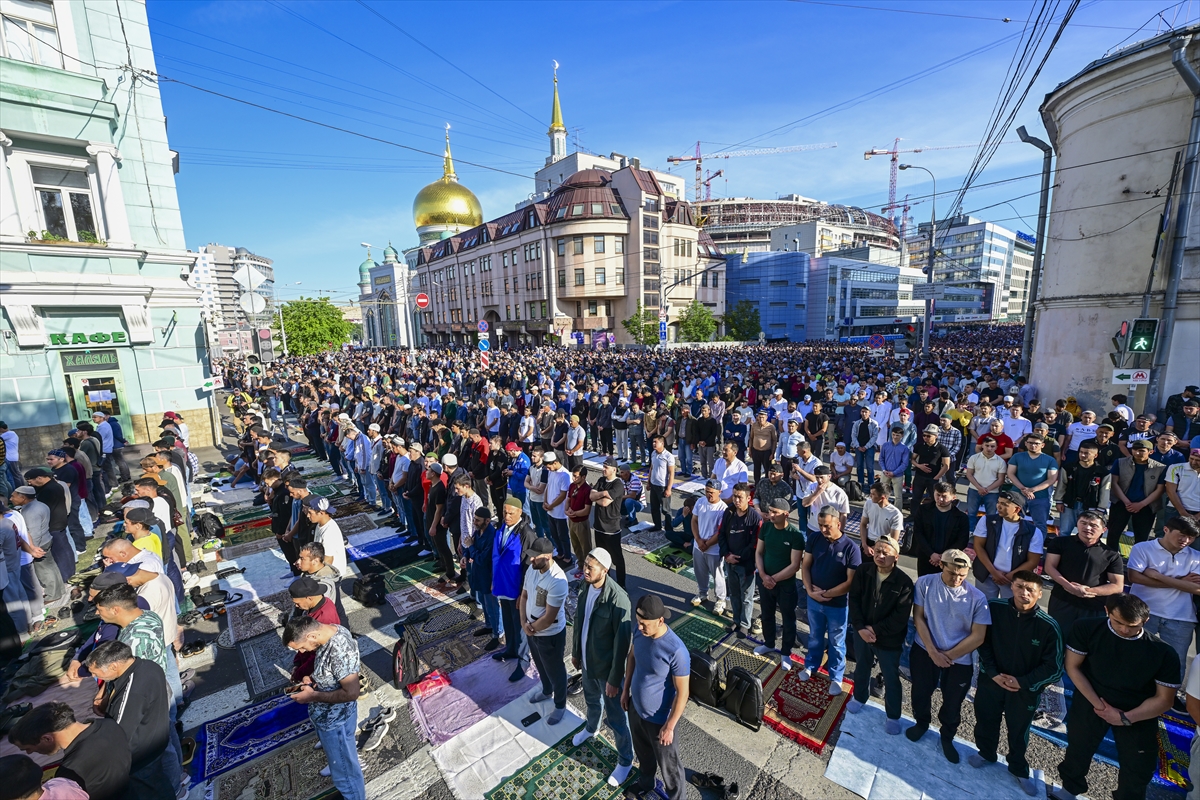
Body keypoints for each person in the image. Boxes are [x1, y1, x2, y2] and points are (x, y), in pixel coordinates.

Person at [1053, 594, 1180, 800]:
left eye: (1132, 626)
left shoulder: (1164, 652)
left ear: (1145, 621)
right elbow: (1073, 667)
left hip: (1137, 710)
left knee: (1138, 765)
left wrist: (1125, 717)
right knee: (1079, 746)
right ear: (1107, 612)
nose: (1124, 629)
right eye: (1118, 622)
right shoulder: (1086, 628)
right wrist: (1101, 708)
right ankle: (1068, 790)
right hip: (1092, 698)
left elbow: (1164, 700)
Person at [970, 571, 1063, 796]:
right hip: (992, 682)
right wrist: (992, 673)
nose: (1024, 593)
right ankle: (986, 752)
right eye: (1020, 587)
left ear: (1040, 594)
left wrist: (1022, 682)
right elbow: (983, 643)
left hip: (1024, 690)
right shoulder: (994, 608)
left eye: (1030, 589)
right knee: (985, 718)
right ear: (1011, 587)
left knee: (1019, 730)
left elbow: (1054, 667)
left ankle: (1018, 767)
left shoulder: (1049, 626)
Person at [907, 549, 990, 764]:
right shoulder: (925, 583)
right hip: (926, 650)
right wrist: (933, 652)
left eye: (962, 575)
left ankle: (947, 736)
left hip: (959, 659)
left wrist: (948, 655)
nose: (957, 579)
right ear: (941, 566)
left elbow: (978, 636)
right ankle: (921, 722)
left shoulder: (978, 598)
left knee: (953, 702)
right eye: (952, 573)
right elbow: (919, 617)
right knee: (921, 691)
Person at [283, 615, 366, 800]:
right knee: (346, 760)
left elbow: (352, 692)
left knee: (345, 773)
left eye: (302, 647)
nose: (303, 652)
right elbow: (332, 671)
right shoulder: (331, 631)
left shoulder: (338, 650)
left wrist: (313, 696)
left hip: (335, 721)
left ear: (312, 635)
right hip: (336, 717)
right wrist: (313, 679)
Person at [570, 548, 634, 787]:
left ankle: (626, 760)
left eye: (590, 567)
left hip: (607, 671)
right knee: (591, 701)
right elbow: (579, 621)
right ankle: (591, 728)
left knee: (617, 718)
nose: (585, 570)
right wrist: (576, 652)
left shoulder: (619, 599)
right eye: (585, 565)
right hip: (587, 663)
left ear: (604, 571)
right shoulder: (587, 586)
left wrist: (615, 679)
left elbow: (623, 645)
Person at [85, 640, 175, 800]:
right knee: (159, 784)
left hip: (141, 754)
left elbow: (119, 733)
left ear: (113, 666)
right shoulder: (148, 665)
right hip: (156, 737)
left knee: (149, 791)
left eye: (96, 672)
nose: (94, 676)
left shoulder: (132, 692)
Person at [621, 594, 690, 800]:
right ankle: (645, 783)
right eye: (638, 622)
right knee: (643, 755)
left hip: (660, 721)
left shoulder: (676, 650)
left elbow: (683, 692)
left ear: (661, 620)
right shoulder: (640, 631)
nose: (640, 628)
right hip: (636, 709)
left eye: (645, 624)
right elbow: (632, 657)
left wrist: (669, 727)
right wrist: (626, 690)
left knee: (670, 768)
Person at [846, 534, 913, 731]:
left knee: (891, 677)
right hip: (862, 633)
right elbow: (855, 600)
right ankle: (859, 697)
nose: (880, 555)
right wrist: (860, 628)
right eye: (877, 551)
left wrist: (873, 630)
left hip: (888, 639)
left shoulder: (904, 582)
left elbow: (900, 617)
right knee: (862, 668)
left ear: (896, 557)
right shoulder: (863, 571)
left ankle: (893, 716)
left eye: (886, 553)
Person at [8, 702, 132, 800]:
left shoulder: (69, 773)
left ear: (46, 738)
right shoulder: (108, 724)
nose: (29, 753)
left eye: (28, 748)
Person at [1125, 516, 1200, 670]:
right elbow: (1134, 577)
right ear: (1166, 529)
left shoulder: (1196, 557)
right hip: (1142, 612)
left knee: (1175, 663)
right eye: (1182, 534)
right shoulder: (1142, 548)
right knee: (1133, 656)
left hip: (1181, 617)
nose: (1186, 540)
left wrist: (1157, 576)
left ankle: (1170, 694)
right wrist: (1181, 581)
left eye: (1191, 537)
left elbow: (1196, 589)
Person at [800, 505, 860, 693]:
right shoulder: (814, 538)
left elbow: (850, 582)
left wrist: (825, 594)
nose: (823, 530)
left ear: (838, 523)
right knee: (815, 636)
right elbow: (806, 566)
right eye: (820, 525)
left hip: (838, 605)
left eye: (827, 526)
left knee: (837, 642)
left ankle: (836, 675)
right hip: (814, 601)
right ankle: (811, 665)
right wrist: (810, 591)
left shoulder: (851, 548)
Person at [1043, 510, 1125, 639]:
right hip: (1062, 601)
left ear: (1104, 529)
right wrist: (1069, 586)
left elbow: (1117, 585)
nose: (1087, 527)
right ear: (1077, 523)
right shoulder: (1060, 543)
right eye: (1083, 523)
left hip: (1093, 607)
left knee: (1086, 642)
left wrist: (1088, 591)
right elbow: (1049, 567)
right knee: (1056, 638)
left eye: (1093, 525)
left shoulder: (1111, 555)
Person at [520, 537, 570, 725]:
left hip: (549, 634)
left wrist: (531, 628)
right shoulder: (532, 570)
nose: (531, 560)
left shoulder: (558, 581)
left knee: (555, 669)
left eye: (535, 557)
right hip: (532, 629)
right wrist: (524, 622)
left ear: (548, 556)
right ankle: (546, 691)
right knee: (540, 664)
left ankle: (560, 705)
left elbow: (549, 617)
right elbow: (524, 596)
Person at [753, 498, 804, 668]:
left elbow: (794, 565)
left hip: (785, 585)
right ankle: (768, 643)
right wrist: (763, 575)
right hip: (765, 580)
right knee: (766, 614)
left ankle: (786, 652)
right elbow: (759, 552)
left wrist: (773, 579)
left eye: (775, 512)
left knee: (788, 619)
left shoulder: (795, 535)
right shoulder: (766, 527)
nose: (771, 515)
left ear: (786, 514)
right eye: (770, 511)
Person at [491, 497, 538, 679]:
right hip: (503, 583)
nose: (507, 516)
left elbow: (528, 566)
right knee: (508, 621)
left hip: (516, 587)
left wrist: (522, 593)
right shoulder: (502, 527)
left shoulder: (526, 533)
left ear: (520, 512)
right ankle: (510, 649)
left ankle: (523, 660)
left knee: (520, 626)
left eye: (511, 513)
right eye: (505, 512)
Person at [971, 491, 1044, 600]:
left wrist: (1009, 576)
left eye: (1005, 504)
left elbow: (1033, 561)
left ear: (1017, 509)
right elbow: (978, 547)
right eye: (999, 502)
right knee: (983, 608)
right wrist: (994, 572)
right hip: (986, 574)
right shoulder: (987, 520)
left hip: (1013, 580)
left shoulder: (1033, 532)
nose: (999, 506)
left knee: (1009, 612)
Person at [717, 482, 762, 638]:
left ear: (748, 498)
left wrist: (739, 558)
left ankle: (745, 624)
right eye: (734, 496)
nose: (736, 500)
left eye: (739, 497)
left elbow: (755, 544)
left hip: (746, 564)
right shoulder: (728, 512)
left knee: (747, 597)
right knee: (734, 593)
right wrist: (726, 555)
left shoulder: (755, 518)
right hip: (730, 561)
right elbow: (721, 534)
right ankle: (736, 620)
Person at [1107, 440, 1167, 548]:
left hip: (1146, 506)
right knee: (1113, 534)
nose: (1137, 453)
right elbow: (1114, 483)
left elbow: (1160, 490)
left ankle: (1137, 561)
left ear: (1150, 452)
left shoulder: (1160, 468)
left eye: (1141, 451)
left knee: (1142, 537)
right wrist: (1126, 502)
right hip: (1121, 503)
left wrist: (1141, 504)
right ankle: (1111, 558)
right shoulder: (1120, 462)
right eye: (1134, 450)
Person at [910, 481, 971, 578]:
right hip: (926, 557)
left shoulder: (961, 517)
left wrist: (944, 556)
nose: (940, 499)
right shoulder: (923, 510)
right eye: (937, 495)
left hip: (949, 562)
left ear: (953, 497)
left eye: (944, 496)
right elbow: (918, 533)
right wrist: (931, 554)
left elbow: (962, 540)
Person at [1054, 441, 1107, 537]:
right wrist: (1059, 501)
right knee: (1064, 532)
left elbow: (1105, 491)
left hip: (1091, 506)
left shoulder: (1102, 472)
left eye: (1086, 453)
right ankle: (1062, 551)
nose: (1082, 455)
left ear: (1095, 455)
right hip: (1069, 504)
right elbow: (1062, 485)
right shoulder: (1069, 468)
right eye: (1081, 452)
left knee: (1087, 534)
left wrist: (1101, 508)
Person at [589, 457, 626, 586]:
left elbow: (604, 503)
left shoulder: (618, 484)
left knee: (617, 560)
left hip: (611, 529)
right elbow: (591, 496)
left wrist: (598, 495)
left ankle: (621, 585)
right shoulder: (600, 480)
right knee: (602, 559)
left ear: (614, 469)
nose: (603, 469)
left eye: (606, 467)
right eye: (603, 466)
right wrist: (603, 493)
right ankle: (607, 583)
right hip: (598, 526)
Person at [542, 452, 573, 568]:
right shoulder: (551, 472)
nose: (547, 468)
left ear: (555, 462)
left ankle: (568, 557)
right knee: (554, 534)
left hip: (560, 512)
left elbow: (563, 495)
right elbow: (548, 487)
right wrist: (545, 501)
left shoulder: (565, 475)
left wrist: (551, 505)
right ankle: (560, 553)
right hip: (550, 510)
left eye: (548, 465)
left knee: (563, 536)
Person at [911, 425, 952, 508]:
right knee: (916, 498)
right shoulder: (919, 446)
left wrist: (937, 477)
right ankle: (914, 516)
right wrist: (919, 466)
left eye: (928, 436)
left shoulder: (942, 449)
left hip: (934, 478)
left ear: (936, 436)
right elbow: (912, 459)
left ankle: (933, 518)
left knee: (935, 499)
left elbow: (946, 465)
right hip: (919, 476)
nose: (925, 438)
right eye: (924, 435)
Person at [861, 481, 903, 557]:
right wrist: (864, 545)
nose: (870, 496)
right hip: (868, 542)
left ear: (882, 497)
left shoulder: (896, 514)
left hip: (884, 546)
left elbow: (894, 540)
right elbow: (863, 524)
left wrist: (876, 549)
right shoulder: (868, 503)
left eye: (873, 494)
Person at [878, 426, 912, 514]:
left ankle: (897, 514)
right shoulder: (885, 445)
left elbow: (905, 464)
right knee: (882, 493)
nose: (895, 437)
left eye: (897, 435)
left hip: (897, 475)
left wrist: (894, 472)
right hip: (885, 473)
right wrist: (884, 470)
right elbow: (881, 458)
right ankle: (881, 510)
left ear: (902, 436)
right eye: (893, 435)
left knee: (898, 496)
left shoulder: (905, 449)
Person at [850, 406, 880, 488]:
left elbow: (874, 437)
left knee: (870, 466)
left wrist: (866, 446)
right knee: (859, 466)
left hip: (869, 447)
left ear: (869, 413)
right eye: (862, 411)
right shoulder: (857, 423)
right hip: (858, 447)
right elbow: (853, 435)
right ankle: (860, 482)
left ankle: (871, 484)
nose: (864, 413)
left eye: (866, 412)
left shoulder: (874, 423)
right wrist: (858, 446)